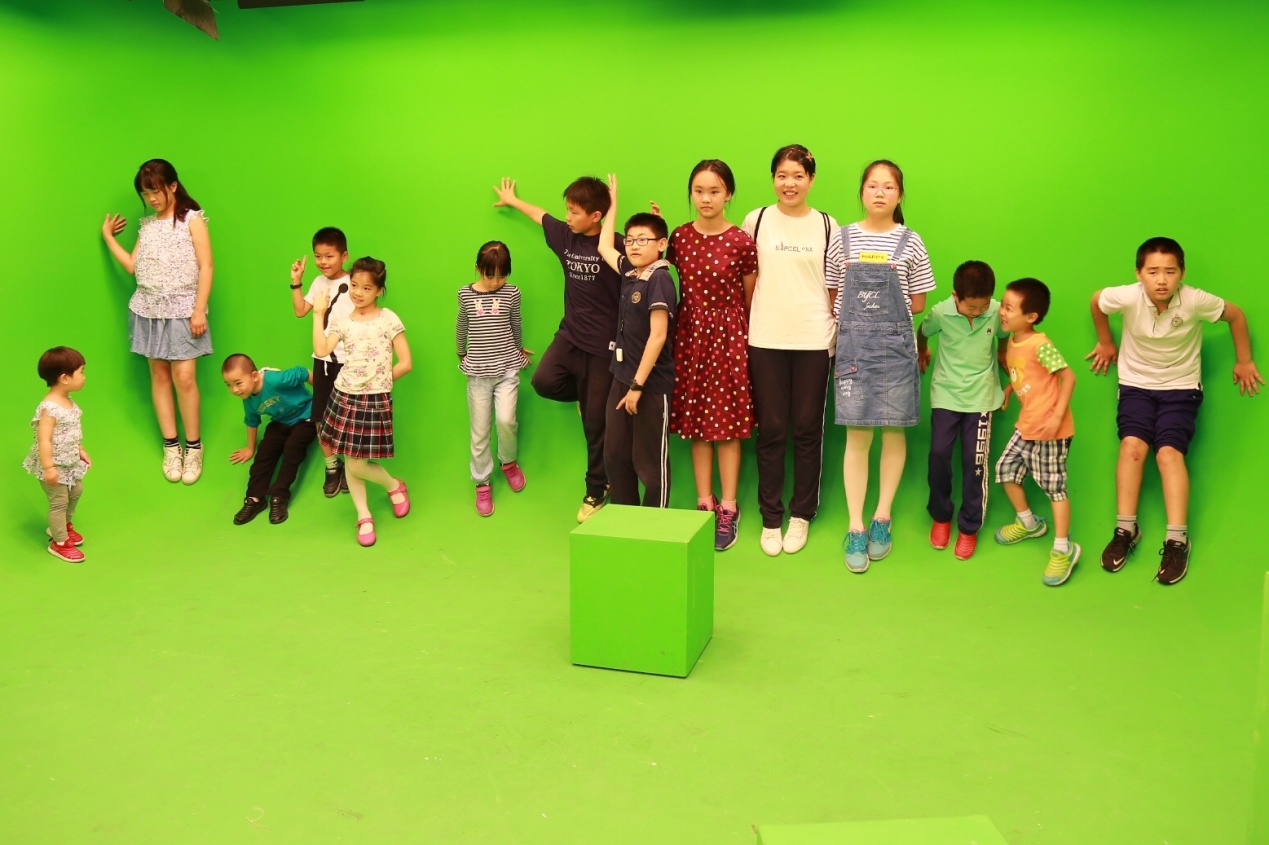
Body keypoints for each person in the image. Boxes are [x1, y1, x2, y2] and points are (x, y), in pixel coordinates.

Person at [1086, 236, 1263, 585]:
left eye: (1170, 271)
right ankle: (1126, 530)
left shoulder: (1195, 300)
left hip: (1181, 388)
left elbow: (1236, 315)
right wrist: (1106, 342)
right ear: (1138, 273)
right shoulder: (1127, 296)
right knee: (1132, 447)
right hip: (1135, 385)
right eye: (1153, 271)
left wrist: (1244, 360)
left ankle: (1177, 539)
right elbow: (1096, 301)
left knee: (1168, 453)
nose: (1162, 280)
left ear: (1182, 272)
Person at [493, 176, 625, 522]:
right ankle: (584, 394)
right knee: (544, 381)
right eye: (567, 209)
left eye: (575, 212)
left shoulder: (616, 244)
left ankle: (597, 487)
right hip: (570, 336)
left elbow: (648, 258)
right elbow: (541, 216)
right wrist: (513, 200)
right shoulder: (566, 236)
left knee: (595, 425)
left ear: (596, 216)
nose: (568, 216)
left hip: (604, 346)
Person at [742, 144, 845, 557]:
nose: (790, 184)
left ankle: (801, 514)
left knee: (806, 429)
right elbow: (747, 278)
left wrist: (835, 333)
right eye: (782, 176)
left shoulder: (828, 225)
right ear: (773, 178)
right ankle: (771, 517)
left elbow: (835, 285)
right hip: (765, 338)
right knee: (770, 429)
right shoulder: (757, 220)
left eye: (798, 176)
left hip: (814, 339)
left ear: (811, 180)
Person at [835, 160, 936, 573]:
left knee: (893, 432)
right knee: (857, 435)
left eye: (888, 186)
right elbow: (833, 295)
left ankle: (882, 517)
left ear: (899, 194)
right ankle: (855, 525)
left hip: (896, 350)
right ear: (862, 191)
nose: (880, 192)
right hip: (853, 349)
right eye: (872, 185)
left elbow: (918, 302)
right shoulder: (842, 237)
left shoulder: (911, 241)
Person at [101, 158, 213, 485]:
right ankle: (171, 446)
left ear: (173, 186)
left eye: (156, 191)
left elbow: (206, 266)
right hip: (148, 308)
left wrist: (199, 310)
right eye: (145, 193)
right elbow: (132, 266)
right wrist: (109, 238)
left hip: (184, 308)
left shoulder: (193, 219)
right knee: (160, 376)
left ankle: (194, 447)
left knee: (185, 378)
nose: (151, 198)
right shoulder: (147, 225)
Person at [666, 159, 758, 551]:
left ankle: (729, 508)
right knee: (696, 424)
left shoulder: (741, 241)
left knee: (728, 425)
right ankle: (704, 502)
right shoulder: (679, 237)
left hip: (730, 339)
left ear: (728, 194)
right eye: (699, 191)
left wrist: (737, 336)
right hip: (690, 337)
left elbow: (750, 298)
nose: (706, 198)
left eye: (715, 191)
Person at [313, 257, 412, 546]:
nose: (358, 292)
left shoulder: (388, 319)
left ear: (379, 290)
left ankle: (393, 485)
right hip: (344, 396)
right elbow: (322, 349)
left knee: (356, 464)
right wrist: (318, 314)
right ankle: (364, 515)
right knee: (351, 460)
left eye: (366, 288)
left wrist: (380, 382)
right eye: (354, 285)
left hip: (375, 398)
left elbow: (406, 363)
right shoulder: (342, 321)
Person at [596, 174, 677, 508]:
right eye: (630, 239)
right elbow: (604, 247)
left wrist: (638, 386)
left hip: (649, 386)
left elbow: (658, 336)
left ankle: (654, 523)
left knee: (650, 464)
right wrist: (612, 205)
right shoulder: (631, 272)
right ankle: (625, 518)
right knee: (615, 455)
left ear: (661, 244)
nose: (633, 245)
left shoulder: (660, 279)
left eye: (643, 240)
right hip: (621, 378)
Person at [993, 279, 1079, 586]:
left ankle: (1063, 548)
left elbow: (1069, 377)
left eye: (1009, 308)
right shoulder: (1014, 340)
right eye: (1003, 305)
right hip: (1027, 425)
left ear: (1030, 316)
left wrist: (1056, 417)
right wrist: (1008, 389)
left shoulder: (1040, 344)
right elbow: (1026, 377)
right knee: (1005, 470)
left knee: (1055, 489)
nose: (1002, 312)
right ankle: (1028, 523)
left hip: (1049, 430)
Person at [917, 260, 1003, 562]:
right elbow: (923, 331)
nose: (977, 312)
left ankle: (969, 526)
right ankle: (941, 516)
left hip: (981, 397)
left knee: (974, 462)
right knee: (939, 454)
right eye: (971, 307)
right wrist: (922, 350)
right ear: (956, 296)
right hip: (946, 394)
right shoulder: (941, 312)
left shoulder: (997, 311)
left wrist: (1004, 356)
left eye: (983, 306)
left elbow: (1006, 337)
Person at [457, 241, 532, 516]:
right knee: (480, 431)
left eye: (502, 275)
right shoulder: (465, 294)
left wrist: (519, 349)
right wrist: (461, 352)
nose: (496, 282)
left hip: (507, 369)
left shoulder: (512, 292)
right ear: (478, 268)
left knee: (506, 420)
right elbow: (462, 324)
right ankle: (482, 482)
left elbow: (515, 323)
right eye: (490, 275)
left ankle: (508, 462)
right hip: (478, 373)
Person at [290, 227, 352, 497]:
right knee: (321, 416)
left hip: (349, 362)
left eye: (329, 256)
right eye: (318, 256)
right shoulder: (317, 282)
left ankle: (352, 467)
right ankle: (331, 466)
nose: (323, 262)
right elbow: (300, 311)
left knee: (349, 417)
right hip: (323, 360)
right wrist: (296, 282)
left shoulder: (353, 283)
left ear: (344, 256)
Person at [222, 354, 318, 526]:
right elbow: (252, 421)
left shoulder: (274, 380)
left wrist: (323, 398)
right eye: (228, 385)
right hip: (281, 422)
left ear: (254, 376)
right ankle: (254, 498)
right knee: (264, 453)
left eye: (238, 383)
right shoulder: (248, 398)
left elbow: (303, 372)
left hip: (306, 416)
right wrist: (250, 447)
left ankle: (279, 496)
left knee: (292, 448)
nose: (234, 390)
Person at [24, 347, 91, 563]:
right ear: (64, 378)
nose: (84, 377)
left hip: (69, 462)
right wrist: (48, 468)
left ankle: (61, 526)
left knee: (76, 491)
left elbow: (71, 432)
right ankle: (59, 542)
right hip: (54, 465)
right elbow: (44, 440)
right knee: (59, 502)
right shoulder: (49, 408)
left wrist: (80, 449)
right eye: (81, 372)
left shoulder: (68, 401)